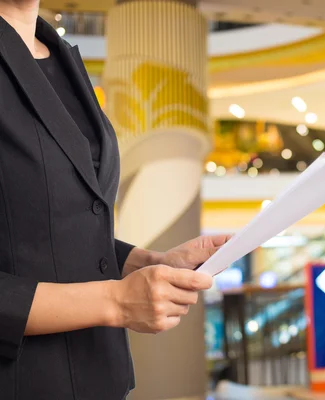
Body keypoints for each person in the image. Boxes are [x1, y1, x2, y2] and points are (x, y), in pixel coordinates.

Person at [0, 2, 228, 399]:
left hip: (99, 376)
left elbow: (51, 226)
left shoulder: (59, 55)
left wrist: (148, 263)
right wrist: (116, 302)